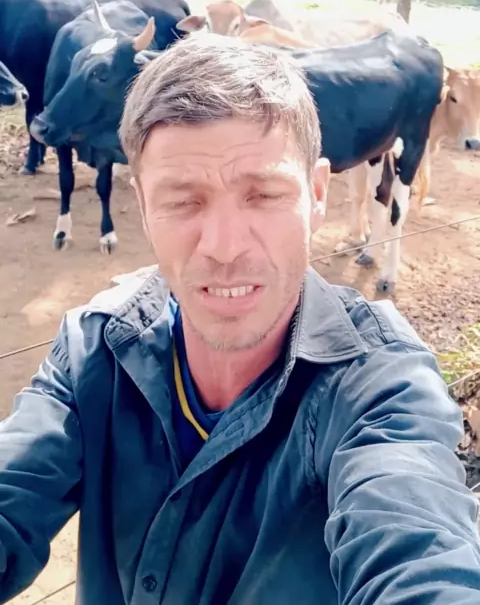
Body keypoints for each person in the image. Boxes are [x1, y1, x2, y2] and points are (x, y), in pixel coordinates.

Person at [0, 33, 479, 605]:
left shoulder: (379, 389)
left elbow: (418, 544)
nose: (225, 247)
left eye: (264, 195)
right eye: (183, 201)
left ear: (317, 194)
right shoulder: (92, 350)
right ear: (143, 206)